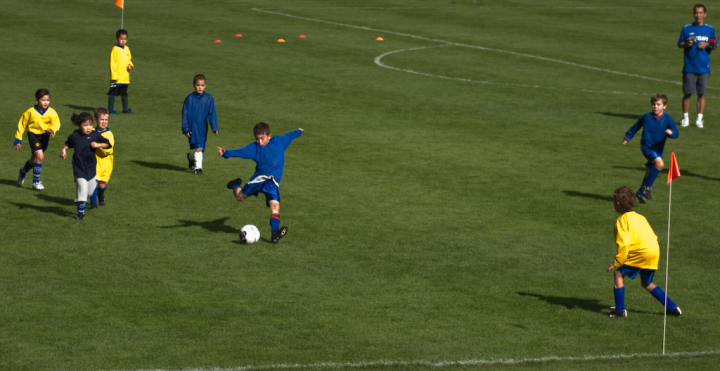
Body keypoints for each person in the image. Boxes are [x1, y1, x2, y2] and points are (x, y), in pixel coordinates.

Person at [217, 123, 303, 243]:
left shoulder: (280, 142)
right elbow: (240, 152)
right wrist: (226, 153)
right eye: (257, 138)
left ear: (269, 136)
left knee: (275, 207)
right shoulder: (254, 148)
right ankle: (235, 184)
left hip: (272, 183)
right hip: (258, 180)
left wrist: (299, 131)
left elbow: (291, 135)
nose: (259, 141)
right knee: (240, 197)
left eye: (262, 138)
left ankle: (274, 233)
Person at [607, 186, 682, 318]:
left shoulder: (622, 220)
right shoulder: (641, 217)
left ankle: (620, 310)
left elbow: (624, 244)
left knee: (618, 274)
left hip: (640, 252)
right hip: (654, 251)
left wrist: (617, 262)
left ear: (617, 204)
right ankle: (673, 308)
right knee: (646, 283)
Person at [622, 93, 679, 204]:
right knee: (660, 164)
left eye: (658, 104)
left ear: (664, 106)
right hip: (647, 146)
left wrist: (671, 133)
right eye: (653, 104)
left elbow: (676, 132)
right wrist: (628, 137)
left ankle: (640, 192)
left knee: (649, 172)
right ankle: (647, 188)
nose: (655, 106)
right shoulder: (646, 117)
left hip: (658, 149)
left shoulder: (668, 119)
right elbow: (635, 127)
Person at [60, 113, 111, 220]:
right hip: (79, 167)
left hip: (91, 167)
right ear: (79, 126)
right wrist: (64, 150)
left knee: (90, 191)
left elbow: (108, 144)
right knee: (82, 188)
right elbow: (69, 143)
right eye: (85, 125)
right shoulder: (75, 136)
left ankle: (81, 202)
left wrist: (98, 145)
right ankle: (80, 213)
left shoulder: (95, 135)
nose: (88, 128)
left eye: (90, 125)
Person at [678, 4, 717, 128]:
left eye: (700, 13)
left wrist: (706, 45)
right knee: (687, 93)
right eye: (696, 13)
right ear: (693, 14)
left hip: (703, 67)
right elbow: (680, 44)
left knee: (701, 93)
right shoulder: (686, 28)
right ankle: (685, 118)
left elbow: (714, 46)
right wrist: (687, 44)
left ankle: (699, 119)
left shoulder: (710, 30)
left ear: (705, 14)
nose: (698, 15)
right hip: (689, 66)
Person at [14, 89, 61, 190]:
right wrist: (18, 139)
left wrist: (52, 130)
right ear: (37, 100)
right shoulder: (30, 112)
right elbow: (22, 124)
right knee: (40, 156)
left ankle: (22, 172)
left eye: (47, 100)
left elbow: (56, 123)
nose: (46, 102)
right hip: (33, 135)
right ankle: (36, 182)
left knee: (35, 159)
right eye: (43, 100)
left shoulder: (51, 112)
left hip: (45, 137)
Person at [182, 74, 219, 175]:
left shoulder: (209, 98)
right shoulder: (189, 99)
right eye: (198, 85)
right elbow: (184, 114)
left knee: (200, 149)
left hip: (203, 128)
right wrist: (185, 128)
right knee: (198, 148)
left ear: (205, 86)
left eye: (202, 85)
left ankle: (190, 156)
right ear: (193, 85)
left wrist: (214, 127)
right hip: (192, 128)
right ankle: (198, 169)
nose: (200, 87)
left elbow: (212, 114)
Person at [108, 29, 134, 114]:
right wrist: (114, 76)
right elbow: (112, 63)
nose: (123, 41)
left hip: (124, 76)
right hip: (116, 77)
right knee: (113, 92)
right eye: (121, 39)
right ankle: (110, 109)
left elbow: (129, 59)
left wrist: (130, 65)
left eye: (125, 39)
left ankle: (125, 108)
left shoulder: (127, 49)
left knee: (124, 93)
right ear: (117, 39)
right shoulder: (115, 49)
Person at [94, 107, 115, 206]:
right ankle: (92, 204)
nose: (104, 122)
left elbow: (108, 150)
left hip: (106, 164)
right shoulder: (92, 131)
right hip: (94, 162)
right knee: (93, 184)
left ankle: (100, 195)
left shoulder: (109, 135)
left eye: (106, 119)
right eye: (101, 119)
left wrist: (97, 146)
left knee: (101, 186)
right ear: (96, 120)